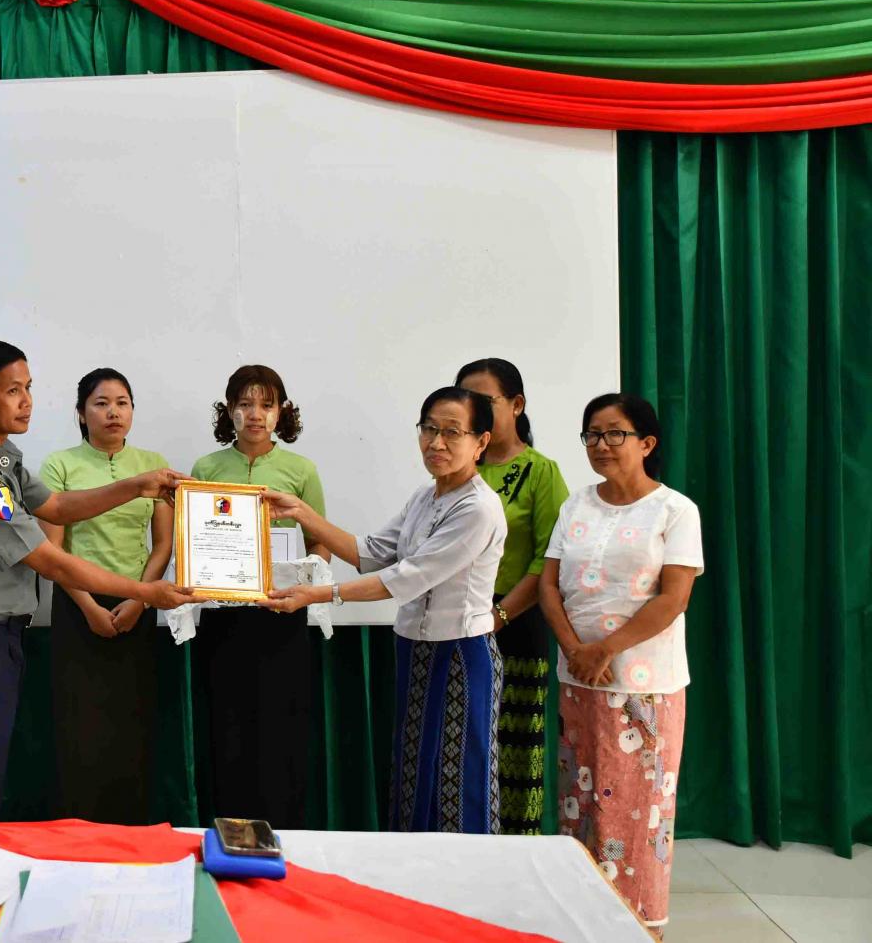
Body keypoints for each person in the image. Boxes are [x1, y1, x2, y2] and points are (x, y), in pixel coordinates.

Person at [0, 339, 192, 820]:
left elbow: (58, 506)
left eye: (28, 388)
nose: (26, 401)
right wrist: (145, 592)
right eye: (12, 391)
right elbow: (49, 559)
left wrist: (136, 485)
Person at [260, 386, 507, 834]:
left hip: (461, 653)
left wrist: (318, 594)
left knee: (458, 782)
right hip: (414, 650)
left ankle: (467, 875)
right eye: (429, 429)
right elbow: (372, 553)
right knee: (413, 774)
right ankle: (412, 871)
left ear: (481, 442)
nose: (436, 443)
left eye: (452, 432)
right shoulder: (424, 497)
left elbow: (406, 577)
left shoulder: (479, 509)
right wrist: (301, 513)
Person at [538, 394, 702, 935]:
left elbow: (673, 597)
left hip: (643, 688)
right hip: (579, 682)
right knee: (580, 804)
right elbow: (548, 585)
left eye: (615, 434)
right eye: (592, 435)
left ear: (646, 443)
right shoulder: (576, 505)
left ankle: (637, 926)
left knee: (636, 813)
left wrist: (604, 649)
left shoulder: (676, 510)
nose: (601, 445)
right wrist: (574, 649)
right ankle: (583, 918)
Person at [188, 365, 328, 828]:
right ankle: (229, 832)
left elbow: (320, 543)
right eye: (245, 404)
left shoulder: (302, 470)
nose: (255, 414)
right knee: (227, 730)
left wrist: (303, 583)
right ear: (229, 410)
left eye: (267, 405)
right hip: (223, 619)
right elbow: (197, 540)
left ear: (281, 412)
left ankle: (285, 832)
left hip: (281, 617)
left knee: (280, 731)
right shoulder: (207, 468)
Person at [41, 369, 173, 824]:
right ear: (81, 413)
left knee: (132, 725)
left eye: (122, 402)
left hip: (137, 605)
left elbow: (162, 545)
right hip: (78, 604)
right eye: (100, 403)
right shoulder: (59, 465)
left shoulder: (153, 464)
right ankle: (77, 829)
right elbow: (53, 550)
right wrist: (89, 606)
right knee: (79, 727)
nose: (113, 412)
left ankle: (131, 829)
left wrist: (140, 600)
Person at [455, 358, 569, 836]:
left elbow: (549, 560)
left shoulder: (542, 472)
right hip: (459, 622)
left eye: (485, 401)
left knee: (515, 747)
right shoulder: (460, 469)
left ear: (517, 405)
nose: (473, 411)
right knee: (464, 744)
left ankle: (519, 850)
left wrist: (498, 615)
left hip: (516, 623)